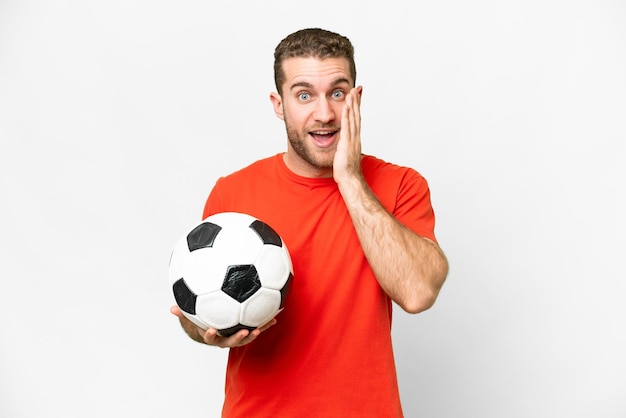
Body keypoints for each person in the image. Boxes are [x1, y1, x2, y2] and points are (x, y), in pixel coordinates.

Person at [170, 27, 449, 417]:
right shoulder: (232, 194)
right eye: (304, 95)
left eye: (337, 93)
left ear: (356, 98)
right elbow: (197, 311)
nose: (324, 114)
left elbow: (418, 292)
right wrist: (206, 331)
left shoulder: (401, 185)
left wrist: (349, 178)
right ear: (279, 104)